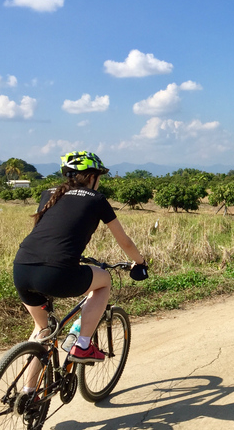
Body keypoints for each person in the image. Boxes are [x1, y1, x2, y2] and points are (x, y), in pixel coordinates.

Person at [13, 151, 148, 380]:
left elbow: (46, 234)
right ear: (92, 176)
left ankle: (28, 393)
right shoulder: (96, 199)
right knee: (103, 281)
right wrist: (140, 262)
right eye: (99, 176)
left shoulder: (50, 194)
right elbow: (124, 241)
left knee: (42, 332)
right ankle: (83, 344)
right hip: (57, 272)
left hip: (22, 267)